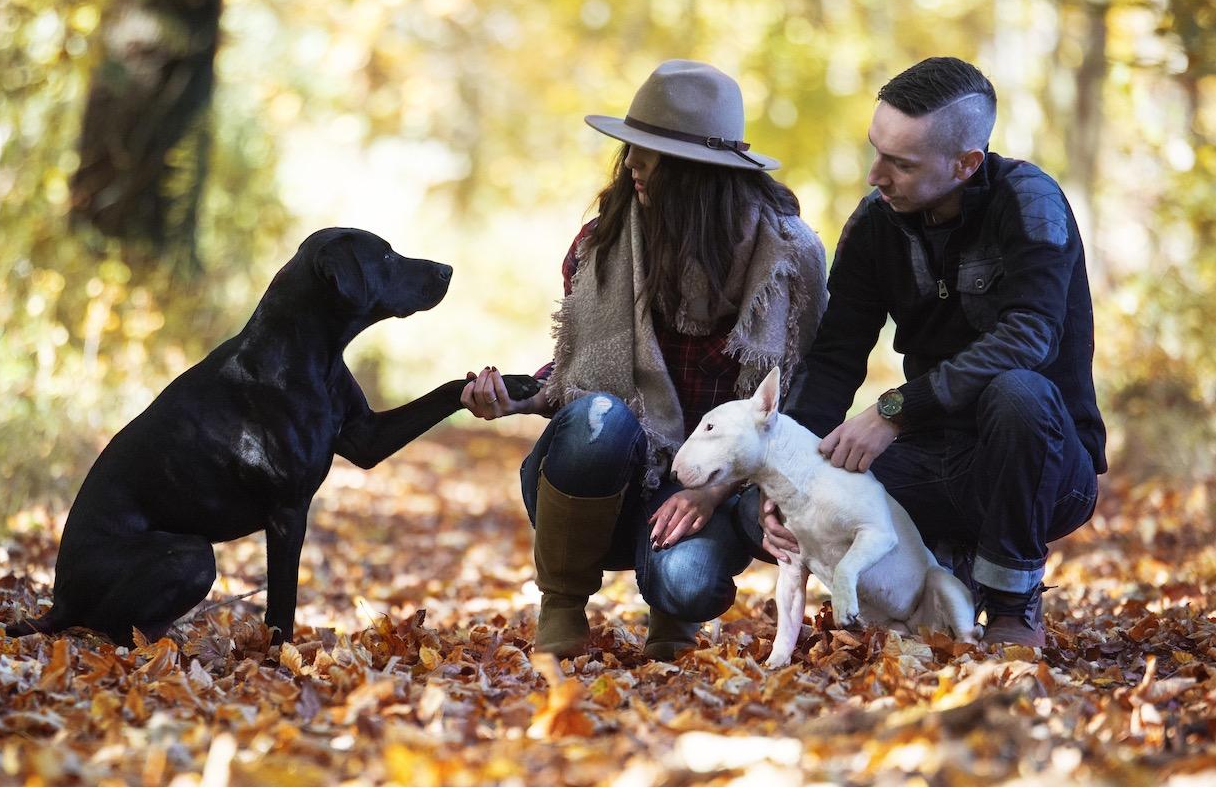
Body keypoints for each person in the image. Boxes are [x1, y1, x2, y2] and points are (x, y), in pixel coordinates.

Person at [462, 59, 828, 660]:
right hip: (616, 478)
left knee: (688, 581)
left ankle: (672, 615)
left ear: (696, 172)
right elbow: (577, 374)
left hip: (716, 486)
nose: (631, 163)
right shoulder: (601, 243)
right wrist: (517, 397)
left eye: (648, 152)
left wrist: (715, 493)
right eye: (631, 147)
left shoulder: (788, 259)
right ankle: (561, 607)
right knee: (596, 419)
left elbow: (799, 399)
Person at [773, 56, 1104, 647]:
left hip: (1045, 466)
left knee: (1017, 392)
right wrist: (786, 473)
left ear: (966, 163)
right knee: (819, 471)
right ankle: (946, 566)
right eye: (876, 150)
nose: (876, 174)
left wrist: (895, 410)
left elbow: (1029, 337)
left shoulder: (1030, 203)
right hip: (930, 462)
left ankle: (1011, 603)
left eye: (900, 163)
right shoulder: (877, 222)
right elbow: (834, 357)